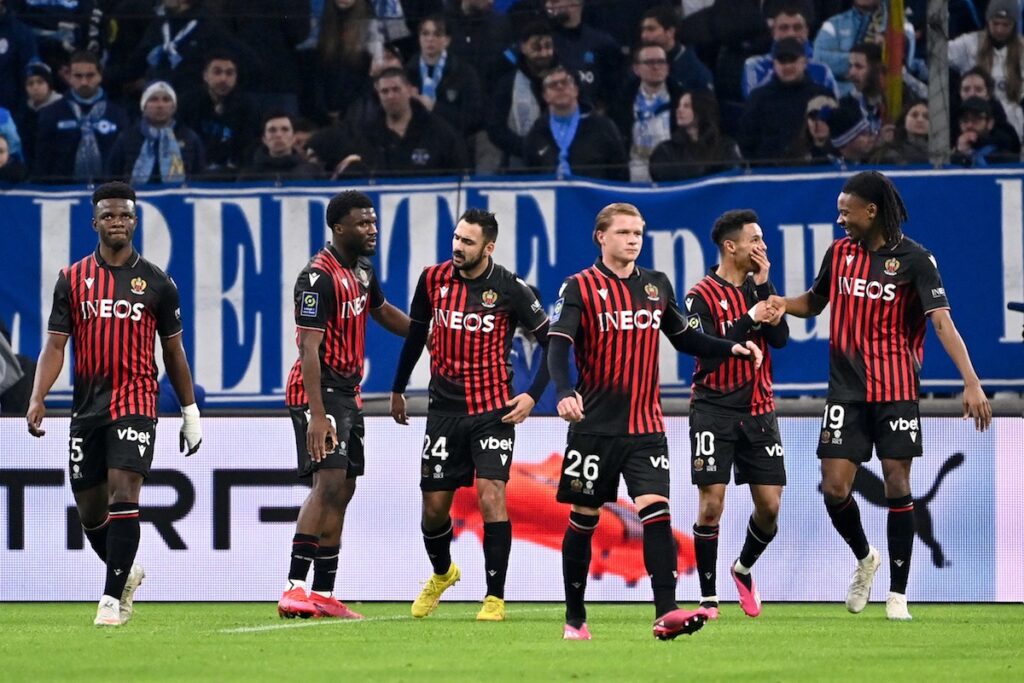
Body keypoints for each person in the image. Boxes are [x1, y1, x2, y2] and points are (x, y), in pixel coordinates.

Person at [766, 171, 993, 621]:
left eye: (846, 213)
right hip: (845, 393)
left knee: (898, 484)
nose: (839, 220)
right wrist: (779, 303)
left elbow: (941, 322)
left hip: (896, 392)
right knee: (833, 488)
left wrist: (971, 380)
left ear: (872, 212)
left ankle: (898, 596)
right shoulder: (840, 253)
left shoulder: (916, 260)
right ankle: (866, 557)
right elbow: (814, 301)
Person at [547, 202, 763, 641]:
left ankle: (666, 611)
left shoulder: (655, 286)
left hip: (646, 427)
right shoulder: (579, 287)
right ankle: (575, 618)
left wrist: (730, 347)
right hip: (594, 428)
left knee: (657, 514)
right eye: (624, 232)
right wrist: (564, 391)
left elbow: (685, 337)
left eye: (638, 233)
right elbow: (557, 343)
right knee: (585, 517)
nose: (633, 240)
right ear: (600, 237)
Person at [26, 181, 203, 626]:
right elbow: (55, 345)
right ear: (95, 222)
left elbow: (174, 352)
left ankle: (110, 601)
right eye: (108, 215)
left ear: (135, 220)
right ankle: (126, 573)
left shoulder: (159, 283)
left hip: (137, 401)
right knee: (89, 509)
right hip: (87, 407)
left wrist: (189, 411)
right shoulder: (72, 279)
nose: (117, 222)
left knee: (125, 491)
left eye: (124, 214)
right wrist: (38, 396)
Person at [389, 208, 551, 622]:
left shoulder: (512, 288)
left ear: (488, 247)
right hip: (443, 410)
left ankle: (494, 598)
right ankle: (443, 574)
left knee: (491, 494)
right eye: (456, 238)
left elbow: (555, 344)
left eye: (467, 241)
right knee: (434, 508)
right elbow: (415, 335)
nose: (458, 247)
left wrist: (533, 396)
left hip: (493, 410)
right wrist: (397, 388)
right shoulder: (432, 279)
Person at [276, 190, 410, 619]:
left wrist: (429, 333)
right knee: (329, 484)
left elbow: (383, 310)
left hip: (348, 394)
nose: (372, 230)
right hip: (319, 391)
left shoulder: (362, 271)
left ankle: (324, 593)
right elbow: (308, 348)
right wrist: (317, 414)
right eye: (362, 223)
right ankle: (294, 587)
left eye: (373, 222)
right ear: (338, 228)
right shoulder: (317, 277)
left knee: (345, 489)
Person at [684, 209, 789, 621]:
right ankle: (708, 598)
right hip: (712, 409)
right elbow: (703, 352)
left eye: (762, 239)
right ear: (731, 247)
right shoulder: (700, 295)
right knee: (712, 505)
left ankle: (743, 568)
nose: (762, 246)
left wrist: (765, 291)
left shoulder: (759, 288)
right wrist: (748, 320)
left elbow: (779, 339)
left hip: (759, 410)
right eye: (754, 240)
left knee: (770, 507)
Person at [34, 50, 129, 184]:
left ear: (100, 76)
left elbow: (124, 159)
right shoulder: (51, 113)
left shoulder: (118, 114)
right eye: (78, 76)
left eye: (90, 76)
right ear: (69, 76)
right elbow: (42, 161)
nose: (84, 82)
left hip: (108, 192)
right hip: (62, 193)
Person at [522, 65, 627, 180]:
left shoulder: (603, 127)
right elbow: (530, 178)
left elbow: (620, 172)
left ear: (576, 90)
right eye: (552, 85)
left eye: (565, 82)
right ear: (545, 96)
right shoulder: (537, 133)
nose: (560, 87)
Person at [738, 37, 832, 163]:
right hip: (769, 174)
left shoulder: (823, 96)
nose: (787, 66)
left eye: (792, 60)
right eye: (782, 61)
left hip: (815, 173)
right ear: (774, 64)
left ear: (804, 61)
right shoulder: (758, 98)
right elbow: (746, 142)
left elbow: (837, 143)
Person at [106, 81, 205, 185]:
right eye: (153, 100)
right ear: (144, 106)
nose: (160, 105)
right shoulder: (127, 138)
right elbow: (113, 175)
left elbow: (199, 175)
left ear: (173, 107)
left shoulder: (189, 137)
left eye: (166, 100)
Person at [742, 1, 838, 99]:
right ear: (773, 32)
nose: (791, 34)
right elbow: (754, 104)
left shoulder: (823, 69)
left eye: (797, 28)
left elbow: (832, 108)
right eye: (784, 28)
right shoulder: (756, 67)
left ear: (807, 31)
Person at [649, 89, 741, 182]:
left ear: (701, 109)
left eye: (686, 106)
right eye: (679, 105)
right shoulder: (665, 150)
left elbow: (732, 177)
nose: (679, 110)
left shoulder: (725, 147)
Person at [238, 111, 325, 181]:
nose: (279, 135)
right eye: (272, 130)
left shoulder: (312, 171)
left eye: (285, 129)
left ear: (293, 137)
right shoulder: (248, 175)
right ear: (264, 139)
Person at [950, 96, 1021, 166]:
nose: (969, 125)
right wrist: (961, 154)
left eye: (976, 119)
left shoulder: (1004, 156)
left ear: (990, 123)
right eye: (965, 120)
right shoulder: (952, 158)